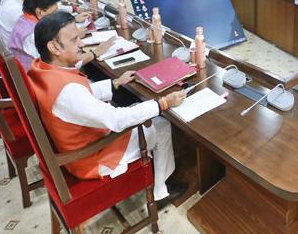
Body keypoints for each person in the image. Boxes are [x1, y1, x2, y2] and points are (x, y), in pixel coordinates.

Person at [28, 11, 188, 206]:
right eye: (74, 40)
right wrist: (163, 103)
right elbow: (116, 120)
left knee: (137, 108)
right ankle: (161, 192)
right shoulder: (68, 93)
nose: (81, 43)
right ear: (53, 47)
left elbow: (81, 95)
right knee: (161, 125)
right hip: (93, 156)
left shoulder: (41, 68)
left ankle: (156, 170)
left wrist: (115, 83)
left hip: (77, 143)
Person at [8, 0, 114, 71]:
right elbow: (59, 67)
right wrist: (94, 54)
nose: (56, 15)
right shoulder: (31, 35)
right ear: (39, 12)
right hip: (42, 82)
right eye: (54, 12)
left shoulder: (25, 19)